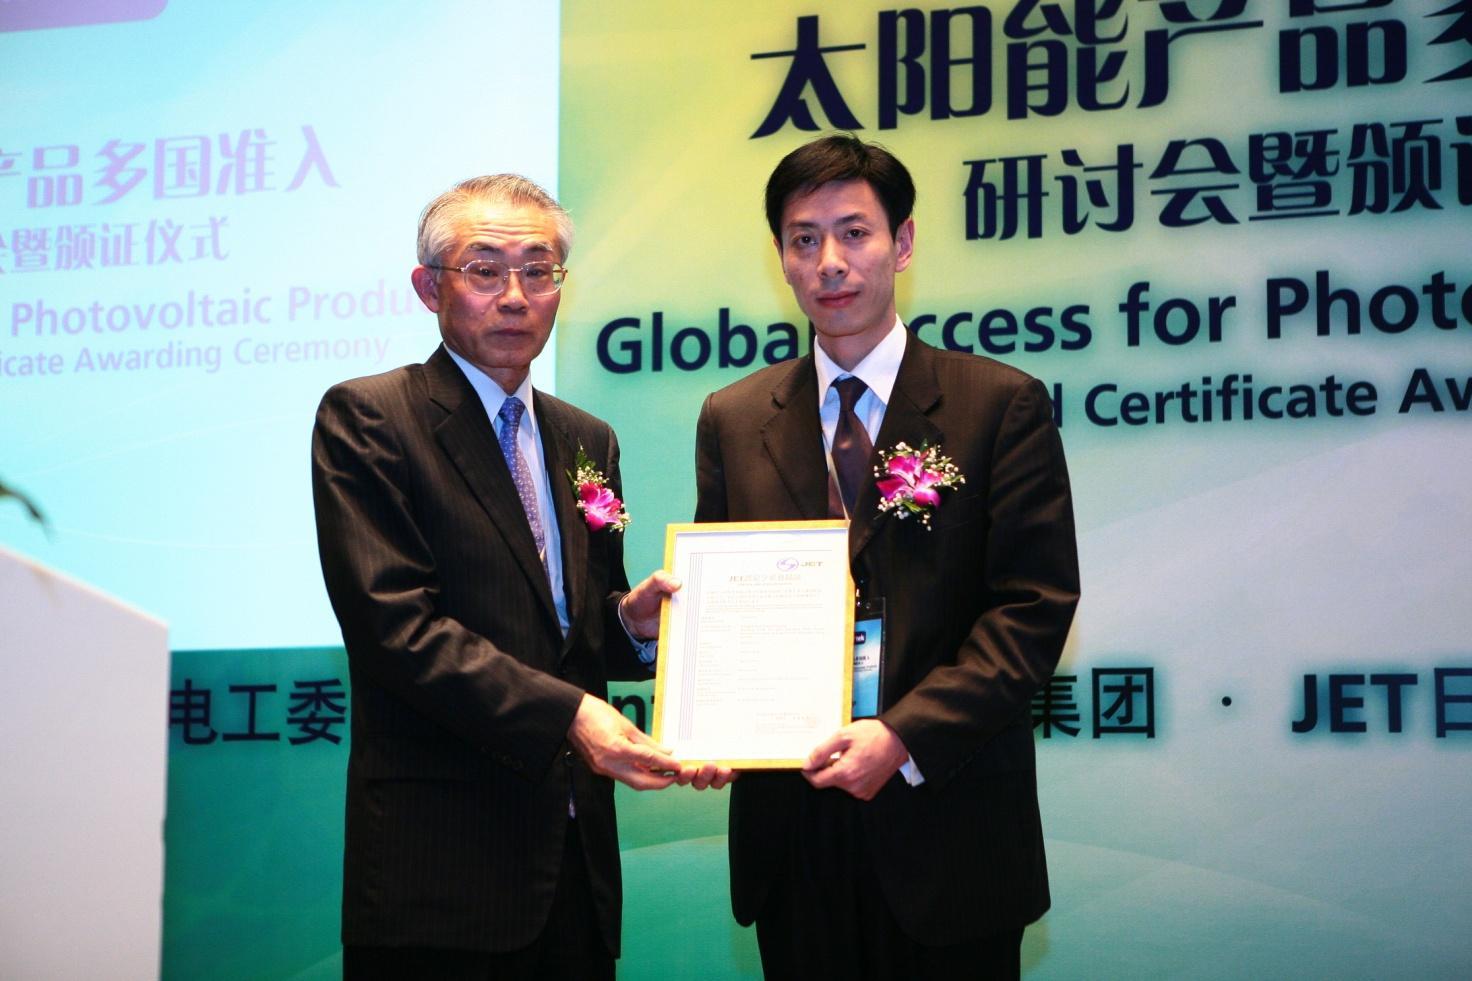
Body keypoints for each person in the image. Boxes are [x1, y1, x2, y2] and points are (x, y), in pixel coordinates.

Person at [312, 174, 721, 980]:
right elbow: (397, 630)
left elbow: (574, 632)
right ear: (429, 287)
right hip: (441, 873)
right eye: (484, 269)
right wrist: (572, 713)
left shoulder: (585, 437)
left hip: (574, 865)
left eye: (538, 270)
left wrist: (632, 623)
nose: (514, 295)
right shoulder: (371, 418)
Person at [694, 135, 1080, 979]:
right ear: (780, 257)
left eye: (854, 233)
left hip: (945, 818)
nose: (829, 261)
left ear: (902, 243)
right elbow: (725, 603)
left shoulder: (997, 404)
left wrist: (903, 734)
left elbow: (1033, 608)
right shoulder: (734, 417)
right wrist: (709, 708)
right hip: (792, 829)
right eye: (804, 239)